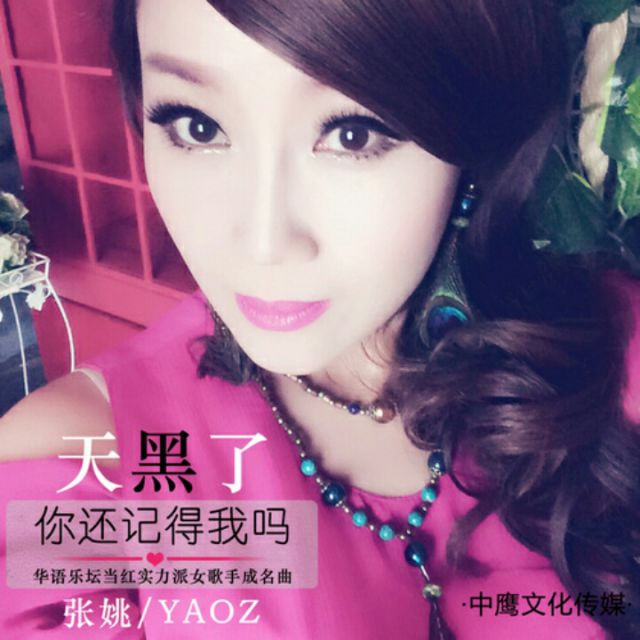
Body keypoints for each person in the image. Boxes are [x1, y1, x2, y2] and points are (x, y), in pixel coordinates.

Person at [1, 0, 639, 638]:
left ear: (467, 139)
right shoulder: (77, 465)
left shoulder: (609, 352)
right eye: (197, 126)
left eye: (352, 134)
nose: (263, 244)